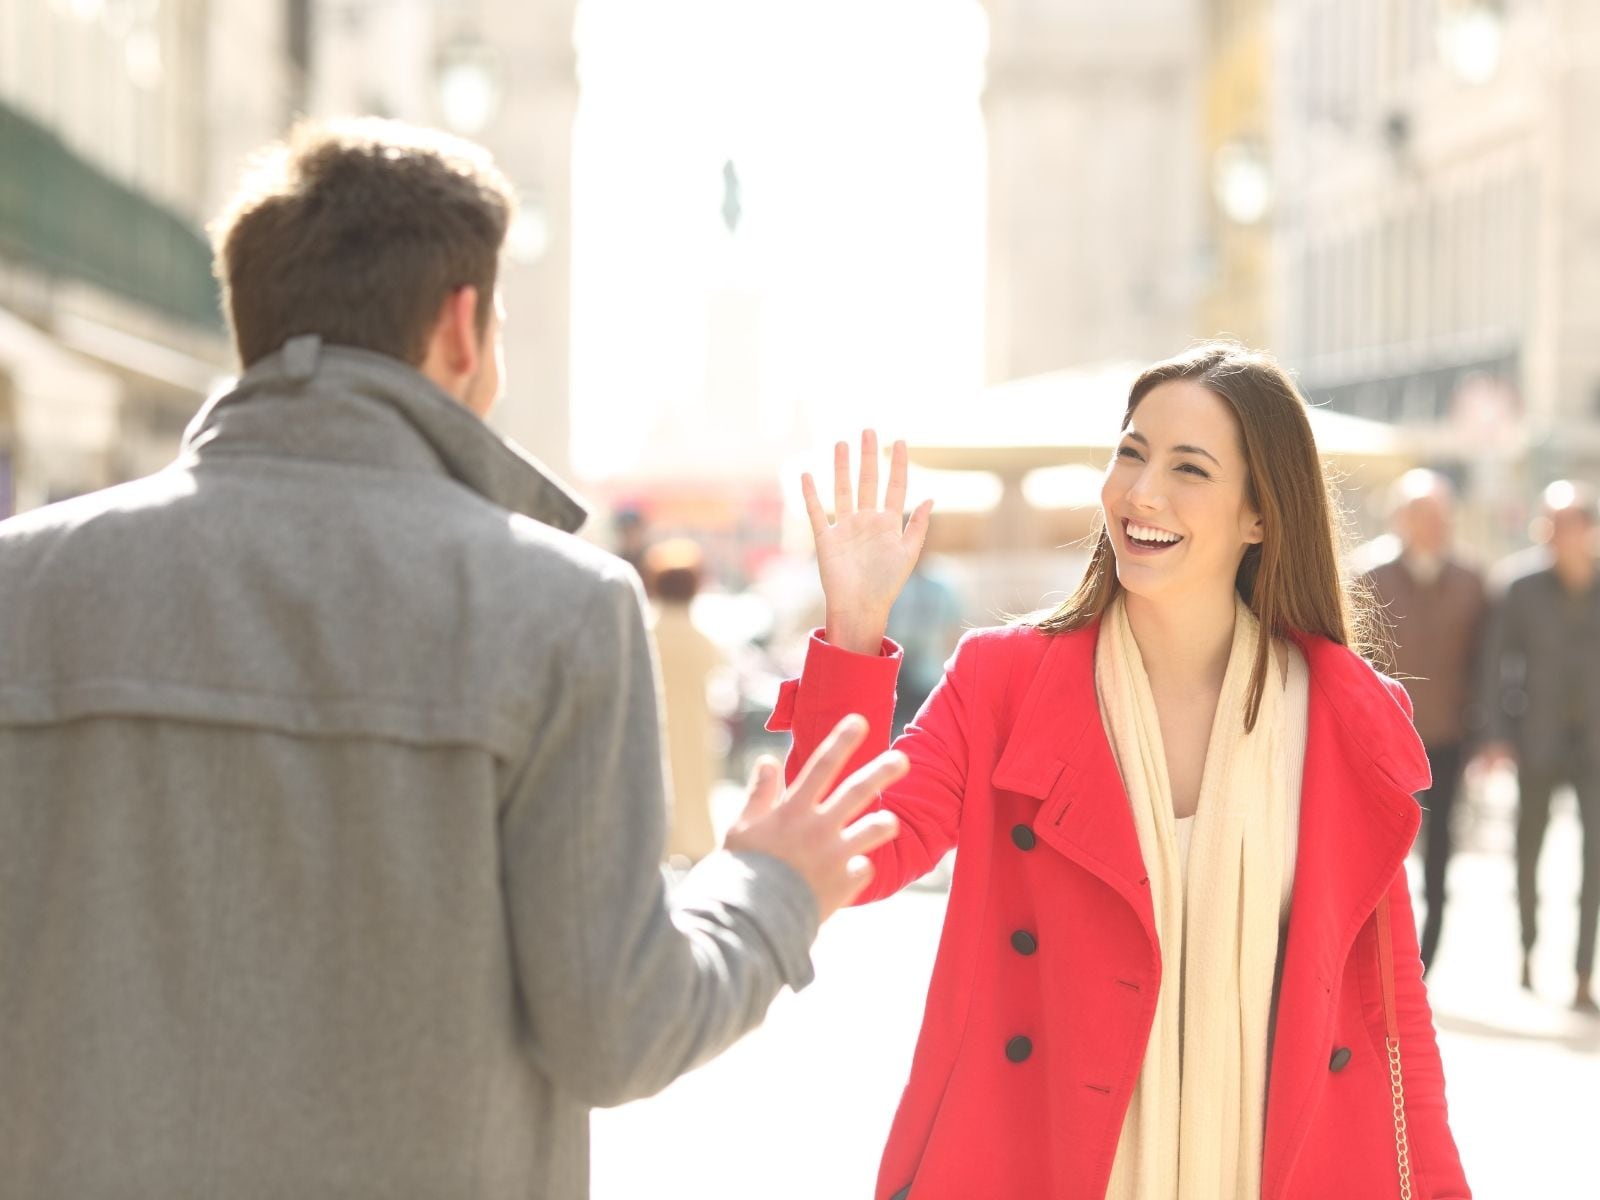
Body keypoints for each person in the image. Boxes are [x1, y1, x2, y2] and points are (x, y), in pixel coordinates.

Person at [0, 118, 906, 1199]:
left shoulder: (27, 582)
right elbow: (618, 1030)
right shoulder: (555, 608)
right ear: (462, 329)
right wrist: (767, 890)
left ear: (250, 315)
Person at [768, 343, 1470, 1199]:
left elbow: (1391, 1008)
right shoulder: (1004, 682)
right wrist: (852, 629)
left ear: (1261, 515)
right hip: (1042, 1160)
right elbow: (844, 852)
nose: (1142, 492)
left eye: (1189, 468)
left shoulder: (1340, 714)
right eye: (1131, 452)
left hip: (1277, 1167)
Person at [1478, 480, 1600, 1014]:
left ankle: (1581, 973)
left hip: (1595, 746)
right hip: (1537, 741)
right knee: (1528, 851)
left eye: (1566, 525)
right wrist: (1497, 736)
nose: (1555, 535)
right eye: (1548, 524)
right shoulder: (1520, 586)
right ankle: (1527, 952)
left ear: (1589, 531)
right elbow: (1492, 666)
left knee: (1594, 861)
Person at [1363, 469, 1488, 972]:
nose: (1433, 525)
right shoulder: (1368, 576)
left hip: (1448, 739)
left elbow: (1486, 663)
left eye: (1440, 515)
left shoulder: (1472, 582)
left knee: (1438, 860)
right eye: (1422, 515)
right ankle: (1377, 959)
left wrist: (1484, 737)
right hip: (1384, 741)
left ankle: (1423, 965)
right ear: (1401, 519)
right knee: (1380, 855)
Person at [646, 538, 724, 862]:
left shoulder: (646, 633)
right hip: (694, 730)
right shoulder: (702, 640)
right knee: (693, 792)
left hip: (652, 731)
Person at [885, 554, 964, 736]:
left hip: (926, 676)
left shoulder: (942, 586)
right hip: (892, 677)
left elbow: (953, 633)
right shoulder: (887, 585)